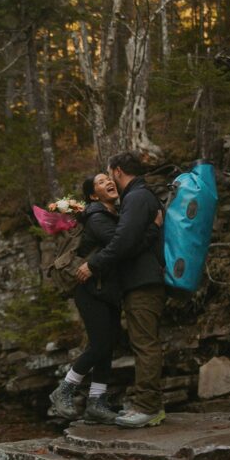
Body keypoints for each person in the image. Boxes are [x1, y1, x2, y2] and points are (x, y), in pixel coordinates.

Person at [49, 173, 160, 423]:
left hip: (106, 290)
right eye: (100, 182)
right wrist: (153, 228)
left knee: (106, 347)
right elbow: (124, 247)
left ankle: (96, 403)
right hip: (90, 291)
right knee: (99, 346)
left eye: (109, 179)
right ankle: (64, 390)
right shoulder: (97, 217)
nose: (108, 182)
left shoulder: (113, 215)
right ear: (92, 195)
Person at [75, 152, 167, 429]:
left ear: (117, 171)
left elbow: (123, 241)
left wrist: (94, 264)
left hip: (142, 281)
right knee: (140, 342)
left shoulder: (136, 198)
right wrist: (151, 229)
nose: (108, 180)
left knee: (144, 344)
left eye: (108, 174)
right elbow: (128, 239)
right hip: (138, 281)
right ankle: (144, 405)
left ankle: (148, 408)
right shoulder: (132, 199)